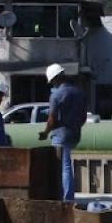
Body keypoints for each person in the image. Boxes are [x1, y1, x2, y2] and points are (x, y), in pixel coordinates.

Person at [39, 62, 87, 201]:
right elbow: (83, 117)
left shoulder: (56, 95)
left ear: (55, 79)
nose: (52, 84)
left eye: (52, 81)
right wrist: (75, 126)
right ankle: (66, 195)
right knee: (66, 165)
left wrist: (45, 132)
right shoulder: (79, 93)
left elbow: (52, 119)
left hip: (60, 135)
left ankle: (67, 198)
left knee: (64, 166)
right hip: (75, 134)